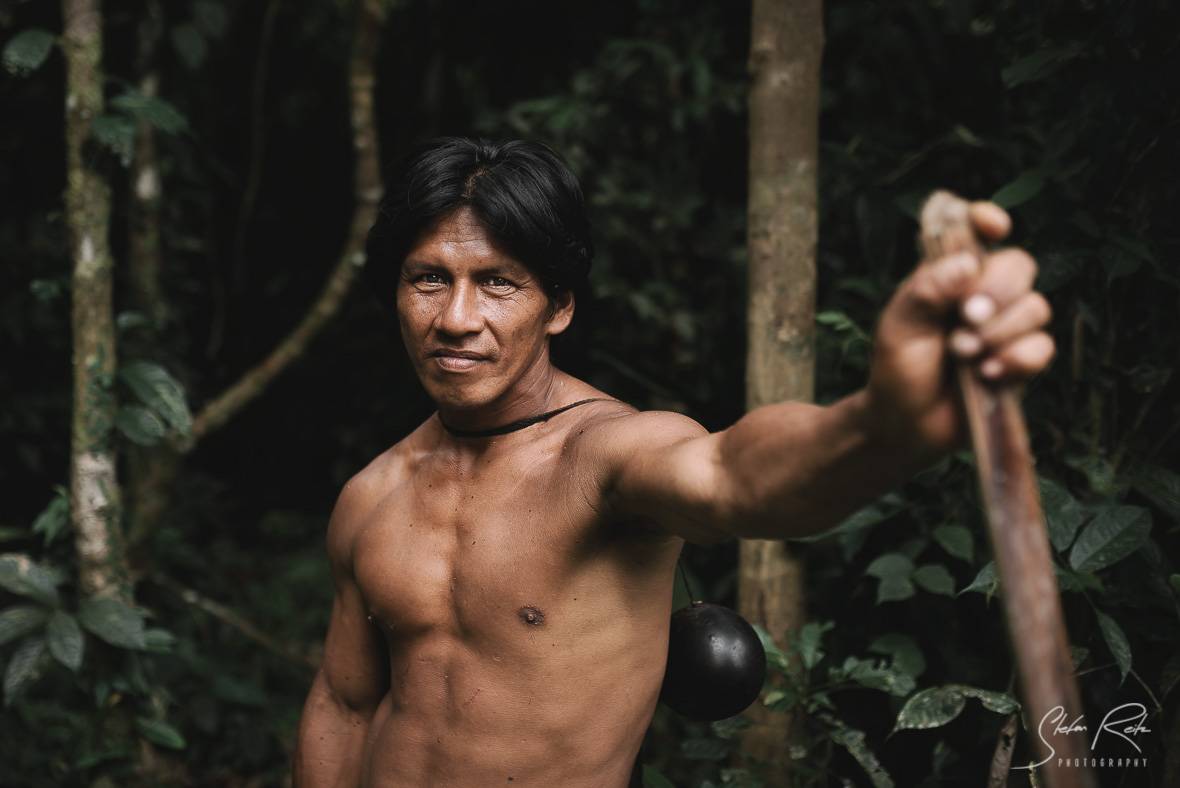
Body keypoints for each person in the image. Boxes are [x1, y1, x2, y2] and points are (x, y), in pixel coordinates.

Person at [292, 137, 1055, 787]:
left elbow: (734, 477)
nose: (457, 320)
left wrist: (880, 423)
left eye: (498, 283)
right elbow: (345, 702)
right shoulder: (373, 495)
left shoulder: (605, 459)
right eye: (430, 278)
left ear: (558, 306)